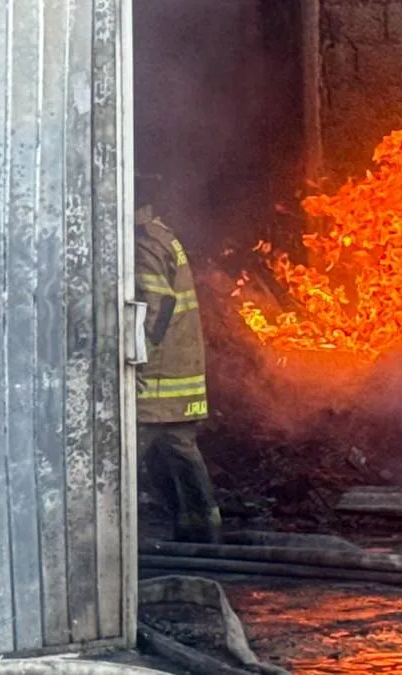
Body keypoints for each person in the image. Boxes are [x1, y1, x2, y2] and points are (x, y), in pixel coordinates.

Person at [135, 177, 222, 543]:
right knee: (178, 450)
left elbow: (154, 307)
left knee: (116, 456)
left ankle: (97, 538)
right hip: (176, 374)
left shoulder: (141, 244)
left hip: (154, 378)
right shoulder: (161, 234)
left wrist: (133, 361)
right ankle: (202, 528)